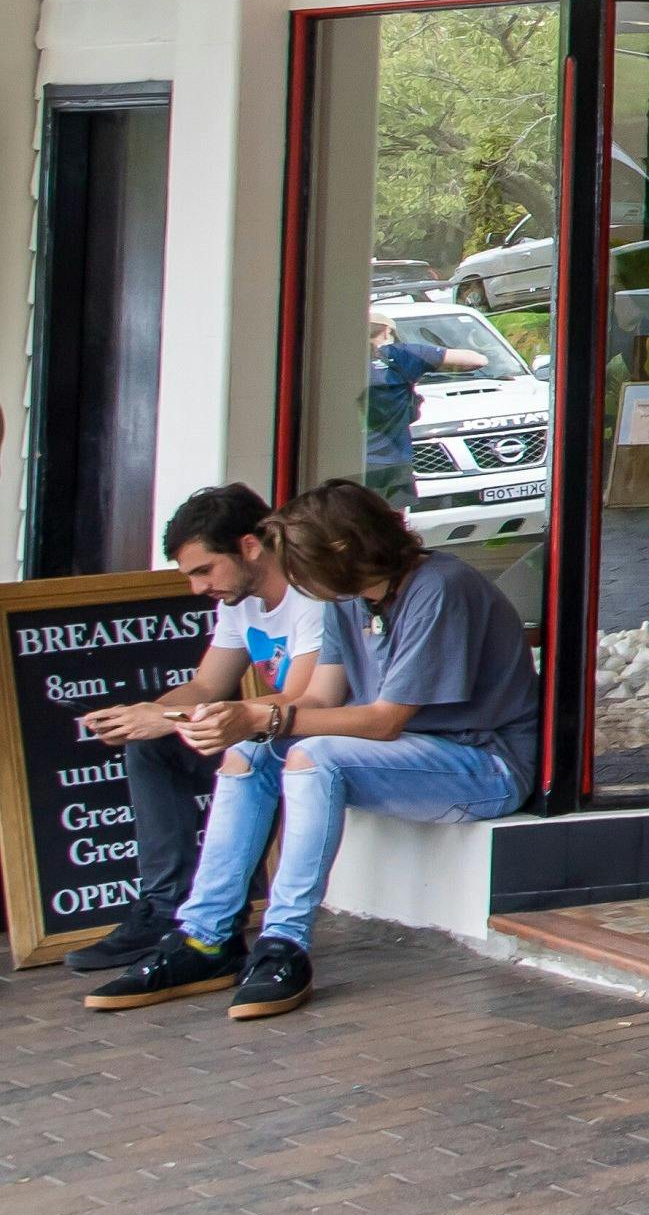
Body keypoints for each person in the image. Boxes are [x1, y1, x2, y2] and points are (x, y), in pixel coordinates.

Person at [84, 481, 539, 1023]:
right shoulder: (344, 600)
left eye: (302, 564)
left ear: (342, 553)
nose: (295, 578)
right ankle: (205, 941)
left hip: (483, 764)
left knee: (314, 754)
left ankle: (284, 943)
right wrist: (250, 725)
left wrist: (261, 714)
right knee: (253, 752)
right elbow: (320, 698)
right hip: (408, 757)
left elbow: (384, 719)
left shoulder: (439, 587)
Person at [65, 486, 367, 974]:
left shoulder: (311, 593)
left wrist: (164, 718)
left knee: (249, 744)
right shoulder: (238, 601)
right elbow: (208, 684)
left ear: (250, 546)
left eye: (204, 570)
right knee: (151, 746)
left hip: (323, 734)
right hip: (269, 731)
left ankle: (223, 924)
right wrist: (144, 714)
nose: (197, 588)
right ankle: (166, 910)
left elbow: (304, 700)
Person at [359, 305, 491, 509]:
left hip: (356, 464)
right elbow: (477, 360)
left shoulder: (346, 361)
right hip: (394, 463)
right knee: (392, 527)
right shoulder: (402, 354)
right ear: (387, 331)